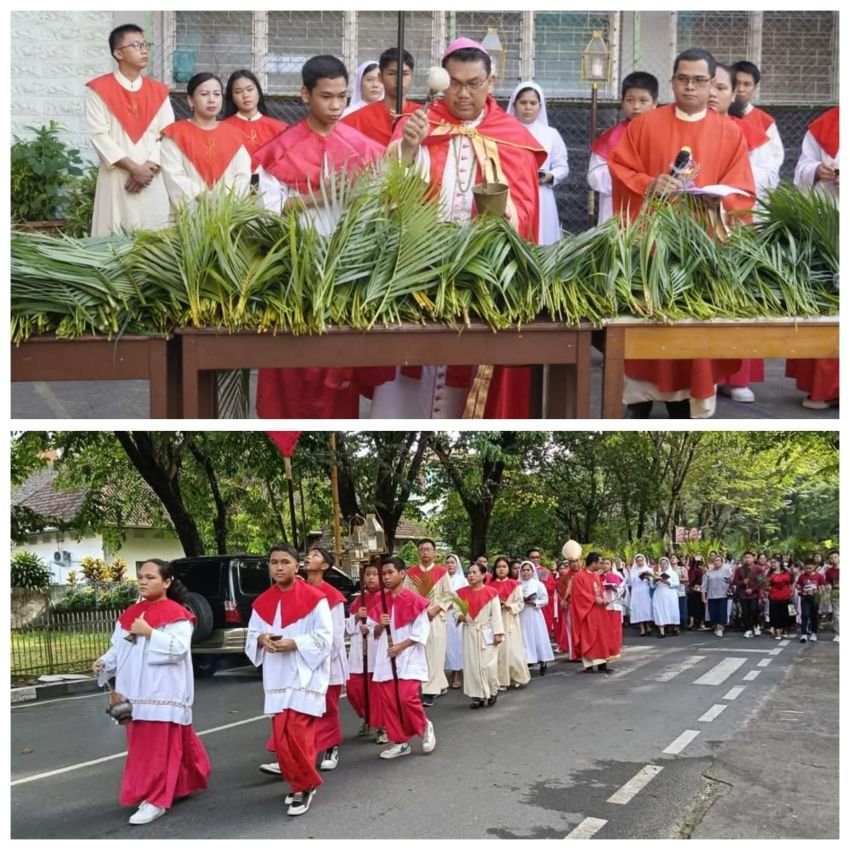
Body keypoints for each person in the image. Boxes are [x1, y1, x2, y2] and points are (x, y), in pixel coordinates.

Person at [370, 36, 546, 419]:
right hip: (419, 271)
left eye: (473, 83)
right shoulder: (419, 124)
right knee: (408, 389)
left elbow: (527, 213)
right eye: (453, 83)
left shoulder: (512, 137)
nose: (462, 93)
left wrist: (499, 220)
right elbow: (388, 194)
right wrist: (409, 148)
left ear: (491, 82)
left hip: (479, 277)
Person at [608, 48, 755, 419]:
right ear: (672, 81)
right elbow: (621, 169)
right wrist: (648, 183)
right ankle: (639, 403)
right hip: (652, 245)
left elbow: (741, 189)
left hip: (703, 245)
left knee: (694, 336)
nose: (690, 86)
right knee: (648, 325)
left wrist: (717, 202)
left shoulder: (729, 132)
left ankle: (690, 406)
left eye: (699, 80)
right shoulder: (644, 125)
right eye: (683, 78)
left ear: (713, 86)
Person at [253, 55, 386, 420]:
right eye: (326, 96)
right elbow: (267, 212)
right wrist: (319, 195)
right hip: (295, 267)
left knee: (338, 362)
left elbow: (379, 205)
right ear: (304, 94)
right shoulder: (283, 148)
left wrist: (360, 198)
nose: (336, 105)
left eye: (342, 96)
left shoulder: (363, 146)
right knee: (295, 361)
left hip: (347, 266)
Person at [93, 558, 210, 825]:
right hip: (133, 692)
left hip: (163, 691)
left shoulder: (178, 614)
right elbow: (119, 648)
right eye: (141, 577)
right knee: (143, 747)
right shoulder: (131, 613)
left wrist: (149, 633)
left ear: (167, 582)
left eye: (151, 577)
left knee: (157, 749)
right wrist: (105, 662)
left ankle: (156, 799)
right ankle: (177, 785)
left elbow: (179, 649)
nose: (144, 582)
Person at [245, 543, 332, 817]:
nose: (279, 567)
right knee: (282, 738)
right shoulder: (262, 602)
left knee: (298, 733)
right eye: (273, 562)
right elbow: (252, 634)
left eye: (285, 562)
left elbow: (325, 637)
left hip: (304, 674)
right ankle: (301, 781)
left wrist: (295, 643)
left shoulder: (316, 599)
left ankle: (302, 787)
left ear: (297, 566)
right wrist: (262, 639)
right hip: (277, 676)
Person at [709, 63, 773, 404]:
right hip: (696, 225)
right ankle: (702, 375)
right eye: (711, 86)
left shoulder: (749, 132)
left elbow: (768, 175)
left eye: (722, 88)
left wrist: (729, 184)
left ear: (734, 94)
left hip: (736, 222)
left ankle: (737, 377)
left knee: (737, 299)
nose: (714, 94)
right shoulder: (689, 128)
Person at [85, 24, 173, 235]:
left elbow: (168, 134)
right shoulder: (98, 89)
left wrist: (147, 168)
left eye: (145, 44)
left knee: (155, 241)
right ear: (118, 53)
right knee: (114, 238)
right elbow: (98, 135)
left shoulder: (159, 91)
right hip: (117, 177)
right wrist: (134, 169)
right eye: (136, 45)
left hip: (152, 176)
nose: (144, 50)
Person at [786, 105, 839, 411]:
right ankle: (826, 387)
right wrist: (818, 171)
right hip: (829, 224)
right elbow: (801, 169)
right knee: (827, 301)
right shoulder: (826, 125)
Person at [372, 557, 436, 758]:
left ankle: (424, 726)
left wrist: (400, 646)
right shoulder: (381, 601)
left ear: (402, 573)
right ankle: (400, 742)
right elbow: (374, 634)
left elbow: (420, 632)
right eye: (384, 574)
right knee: (390, 702)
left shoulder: (414, 601)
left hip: (408, 657)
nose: (386, 577)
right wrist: (380, 625)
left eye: (390, 572)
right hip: (386, 657)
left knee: (406, 698)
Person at [160, 72, 252, 210]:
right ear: (190, 100)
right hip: (190, 214)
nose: (211, 99)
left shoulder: (233, 134)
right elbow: (174, 175)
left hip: (228, 212)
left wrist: (225, 201)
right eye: (204, 94)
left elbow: (242, 175)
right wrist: (202, 197)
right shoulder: (175, 134)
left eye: (217, 94)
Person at [587, 71, 659, 225]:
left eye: (643, 100)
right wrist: (629, 179)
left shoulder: (664, 135)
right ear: (622, 102)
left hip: (654, 208)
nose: (636, 107)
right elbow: (594, 176)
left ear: (655, 103)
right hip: (615, 208)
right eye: (630, 100)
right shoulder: (610, 137)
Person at [506, 81, 569, 245]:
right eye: (523, 103)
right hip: (512, 195)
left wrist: (549, 175)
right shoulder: (505, 133)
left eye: (533, 103)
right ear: (514, 105)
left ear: (540, 106)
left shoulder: (550, 134)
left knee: (543, 240)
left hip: (542, 195)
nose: (528, 107)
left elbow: (562, 166)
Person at [305, 547, 349, 772]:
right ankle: (299, 753)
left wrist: (321, 658)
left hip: (327, 662)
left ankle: (331, 746)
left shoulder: (332, 596)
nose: (308, 557)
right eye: (308, 554)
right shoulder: (298, 590)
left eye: (315, 555)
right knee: (302, 709)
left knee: (327, 706)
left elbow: (336, 635)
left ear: (325, 566)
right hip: (302, 660)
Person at [403, 538, 454, 706]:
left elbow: (449, 595)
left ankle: (429, 691)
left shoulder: (441, 571)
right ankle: (435, 684)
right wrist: (415, 611)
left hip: (435, 618)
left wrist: (437, 609)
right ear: (418, 552)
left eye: (428, 549)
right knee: (419, 653)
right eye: (422, 549)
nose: (425, 552)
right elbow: (406, 595)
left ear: (434, 553)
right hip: (417, 618)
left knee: (434, 654)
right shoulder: (411, 573)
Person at [341, 48, 420, 147]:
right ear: (380, 77)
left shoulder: (422, 115)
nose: (399, 80)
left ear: (412, 76)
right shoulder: (361, 118)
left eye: (405, 74)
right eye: (391, 74)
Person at [456, 562, 504, 708]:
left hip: (486, 631)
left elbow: (496, 614)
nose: (471, 575)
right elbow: (456, 610)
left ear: (483, 575)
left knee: (488, 665)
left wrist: (498, 633)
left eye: (474, 572)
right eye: (469, 573)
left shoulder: (491, 592)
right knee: (471, 665)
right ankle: (476, 696)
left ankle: (492, 691)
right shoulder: (461, 593)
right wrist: (459, 616)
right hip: (469, 631)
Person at [222, 69, 287, 175]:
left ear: (258, 92)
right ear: (232, 98)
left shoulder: (280, 128)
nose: (245, 95)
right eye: (238, 92)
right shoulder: (223, 129)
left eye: (250, 89)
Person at [344, 563, 383, 738]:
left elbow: (389, 624)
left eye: (375, 574)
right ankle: (367, 718)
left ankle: (382, 725)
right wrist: (356, 618)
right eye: (368, 574)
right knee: (354, 690)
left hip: (376, 651)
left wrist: (373, 627)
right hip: (357, 653)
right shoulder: (359, 600)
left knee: (376, 692)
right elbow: (347, 627)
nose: (371, 578)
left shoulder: (386, 598)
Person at [731, 60, 785, 184]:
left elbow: (775, 161)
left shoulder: (765, 122)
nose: (740, 89)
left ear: (755, 88)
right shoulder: (716, 114)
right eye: (736, 83)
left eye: (747, 84)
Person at [570, 552, 620, 672]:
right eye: (600, 562)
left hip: (599, 611)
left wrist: (605, 600)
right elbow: (578, 594)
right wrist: (593, 599)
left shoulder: (596, 575)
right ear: (593, 563)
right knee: (590, 636)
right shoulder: (579, 576)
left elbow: (600, 590)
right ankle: (589, 664)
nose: (602, 565)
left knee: (602, 636)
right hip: (587, 611)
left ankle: (602, 664)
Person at [490, 556, 531, 690]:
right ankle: (501, 680)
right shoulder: (489, 586)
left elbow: (520, 602)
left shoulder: (515, 585)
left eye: (504, 567)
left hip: (510, 619)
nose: (501, 569)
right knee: (499, 652)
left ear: (508, 569)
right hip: (495, 621)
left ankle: (519, 676)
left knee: (513, 651)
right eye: (499, 567)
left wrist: (508, 605)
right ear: (495, 569)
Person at [518, 560, 554, 675]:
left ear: (532, 571)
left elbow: (545, 600)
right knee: (524, 637)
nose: (525, 573)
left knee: (537, 637)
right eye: (523, 570)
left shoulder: (538, 584)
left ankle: (542, 659)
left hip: (534, 614)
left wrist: (535, 602)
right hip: (522, 614)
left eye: (528, 570)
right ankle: (528, 660)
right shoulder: (517, 585)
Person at [445, 553, 468, 689]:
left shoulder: (462, 580)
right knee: (446, 646)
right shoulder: (442, 579)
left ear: (457, 564)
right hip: (443, 615)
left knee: (456, 645)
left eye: (452, 562)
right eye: (447, 562)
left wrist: (454, 605)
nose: (450, 565)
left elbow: (465, 599)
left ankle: (457, 673)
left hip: (456, 615)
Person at [733, 551, 764, 638]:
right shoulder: (739, 569)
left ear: (753, 558)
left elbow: (762, 582)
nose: (747, 559)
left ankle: (756, 625)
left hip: (754, 594)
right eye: (745, 557)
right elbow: (735, 581)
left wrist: (753, 589)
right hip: (743, 594)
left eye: (749, 557)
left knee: (754, 610)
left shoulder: (758, 569)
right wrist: (742, 582)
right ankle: (748, 629)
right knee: (745, 612)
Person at [528, 548, 558, 639]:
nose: (535, 559)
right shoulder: (524, 571)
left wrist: (540, 585)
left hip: (542, 605)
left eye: (537, 557)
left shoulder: (545, 571)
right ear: (528, 558)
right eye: (532, 557)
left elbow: (552, 587)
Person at [651, 556, 681, 638]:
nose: (663, 564)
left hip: (670, 594)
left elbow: (677, 584)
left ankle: (675, 627)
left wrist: (668, 582)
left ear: (668, 564)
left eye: (664, 563)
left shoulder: (673, 573)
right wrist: (654, 581)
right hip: (659, 594)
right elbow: (652, 586)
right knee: (659, 610)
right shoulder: (657, 573)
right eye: (661, 563)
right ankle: (662, 631)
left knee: (672, 610)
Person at [797, 559, 825, 643]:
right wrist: (798, 588)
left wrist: (821, 593)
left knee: (814, 615)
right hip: (805, 598)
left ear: (814, 567)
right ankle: (804, 634)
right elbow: (799, 585)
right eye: (806, 568)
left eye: (810, 568)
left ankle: (813, 633)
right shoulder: (802, 576)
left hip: (815, 598)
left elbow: (822, 586)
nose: (808, 570)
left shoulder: (819, 576)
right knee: (804, 615)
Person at [702, 555, 730, 637]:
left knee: (721, 612)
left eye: (718, 560)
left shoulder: (726, 571)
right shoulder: (708, 573)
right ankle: (716, 626)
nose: (716, 562)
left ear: (722, 562)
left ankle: (720, 627)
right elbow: (704, 586)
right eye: (715, 560)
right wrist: (703, 597)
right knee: (713, 613)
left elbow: (729, 583)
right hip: (711, 595)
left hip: (722, 595)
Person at [766, 557, 793, 640]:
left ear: (779, 563)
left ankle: (784, 629)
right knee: (775, 614)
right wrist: (768, 588)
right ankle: (777, 632)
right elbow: (764, 584)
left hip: (786, 595)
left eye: (774, 562)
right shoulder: (769, 573)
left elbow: (792, 581)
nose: (773, 564)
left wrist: (791, 591)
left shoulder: (787, 572)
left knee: (785, 614)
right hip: (774, 595)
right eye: (771, 562)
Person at [628, 553, 654, 636]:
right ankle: (642, 629)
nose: (640, 562)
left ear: (644, 561)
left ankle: (648, 625)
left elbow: (652, 583)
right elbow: (630, 582)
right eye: (638, 561)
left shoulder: (649, 569)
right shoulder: (633, 571)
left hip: (645, 591)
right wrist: (637, 576)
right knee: (638, 609)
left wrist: (648, 578)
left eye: (641, 560)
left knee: (646, 609)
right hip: (636, 592)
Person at [687, 556, 706, 630]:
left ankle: (699, 623)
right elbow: (691, 580)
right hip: (694, 589)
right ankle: (694, 623)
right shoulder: (692, 570)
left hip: (700, 589)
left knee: (700, 606)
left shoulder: (701, 569)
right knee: (694, 606)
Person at [825, 550, 839, 643]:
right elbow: (828, 583)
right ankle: (838, 633)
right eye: (831, 558)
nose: (833, 559)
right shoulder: (829, 571)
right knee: (837, 614)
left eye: (835, 557)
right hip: (835, 591)